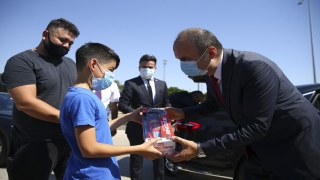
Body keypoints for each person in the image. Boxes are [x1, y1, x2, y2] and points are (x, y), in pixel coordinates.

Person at [165, 28, 320, 180]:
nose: (182, 65)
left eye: (185, 59)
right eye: (179, 60)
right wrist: (182, 113)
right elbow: (213, 105)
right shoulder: (210, 74)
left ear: (211, 52)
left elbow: (256, 126)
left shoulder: (252, 67)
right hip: (257, 150)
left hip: (294, 146)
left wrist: (200, 149)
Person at [60, 42, 162, 179]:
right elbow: (89, 149)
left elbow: (98, 129)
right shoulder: (82, 98)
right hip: (91, 175)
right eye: (110, 69)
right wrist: (139, 149)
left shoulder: (83, 95)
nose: (112, 75)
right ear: (93, 65)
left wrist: (128, 117)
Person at [0, 18, 80, 180]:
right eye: (63, 40)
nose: (67, 46)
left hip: (68, 140)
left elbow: (78, 94)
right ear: (45, 35)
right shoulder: (21, 62)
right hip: (34, 142)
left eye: (71, 43)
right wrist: (67, 118)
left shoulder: (70, 64)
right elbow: (26, 103)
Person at [118, 54, 172, 180]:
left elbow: (166, 102)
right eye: (144, 66)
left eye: (150, 66)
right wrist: (138, 114)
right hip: (137, 128)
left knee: (159, 160)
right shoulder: (131, 83)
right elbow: (122, 104)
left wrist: (169, 112)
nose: (147, 69)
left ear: (155, 68)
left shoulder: (162, 84)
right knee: (137, 160)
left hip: (158, 129)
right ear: (139, 67)